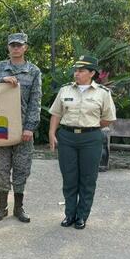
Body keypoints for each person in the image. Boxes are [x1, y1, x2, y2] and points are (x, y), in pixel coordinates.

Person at [48, 55, 116, 230]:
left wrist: (89, 127)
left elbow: (108, 119)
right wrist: (51, 132)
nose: (76, 73)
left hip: (91, 139)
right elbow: (56, 113)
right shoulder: (65, 91)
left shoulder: (102, 93)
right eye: (76, 70)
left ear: (92, 73)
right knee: (69, 178)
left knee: (88, 179)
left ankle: (82, 216)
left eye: (81, 70)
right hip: (67, 137)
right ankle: (69, 214)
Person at [0, 33, 41, 223]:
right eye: (12, 45)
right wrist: (2, 81)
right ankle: (2, 206)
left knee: (22, 167)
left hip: (23, 128)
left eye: (19, 45)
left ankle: (19, 207)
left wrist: (30, 127)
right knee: (1, 168)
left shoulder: (33, 71)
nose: (16, 48)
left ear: (25, 47)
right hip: (0, 127)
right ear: (8, 48)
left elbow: (36, 101)